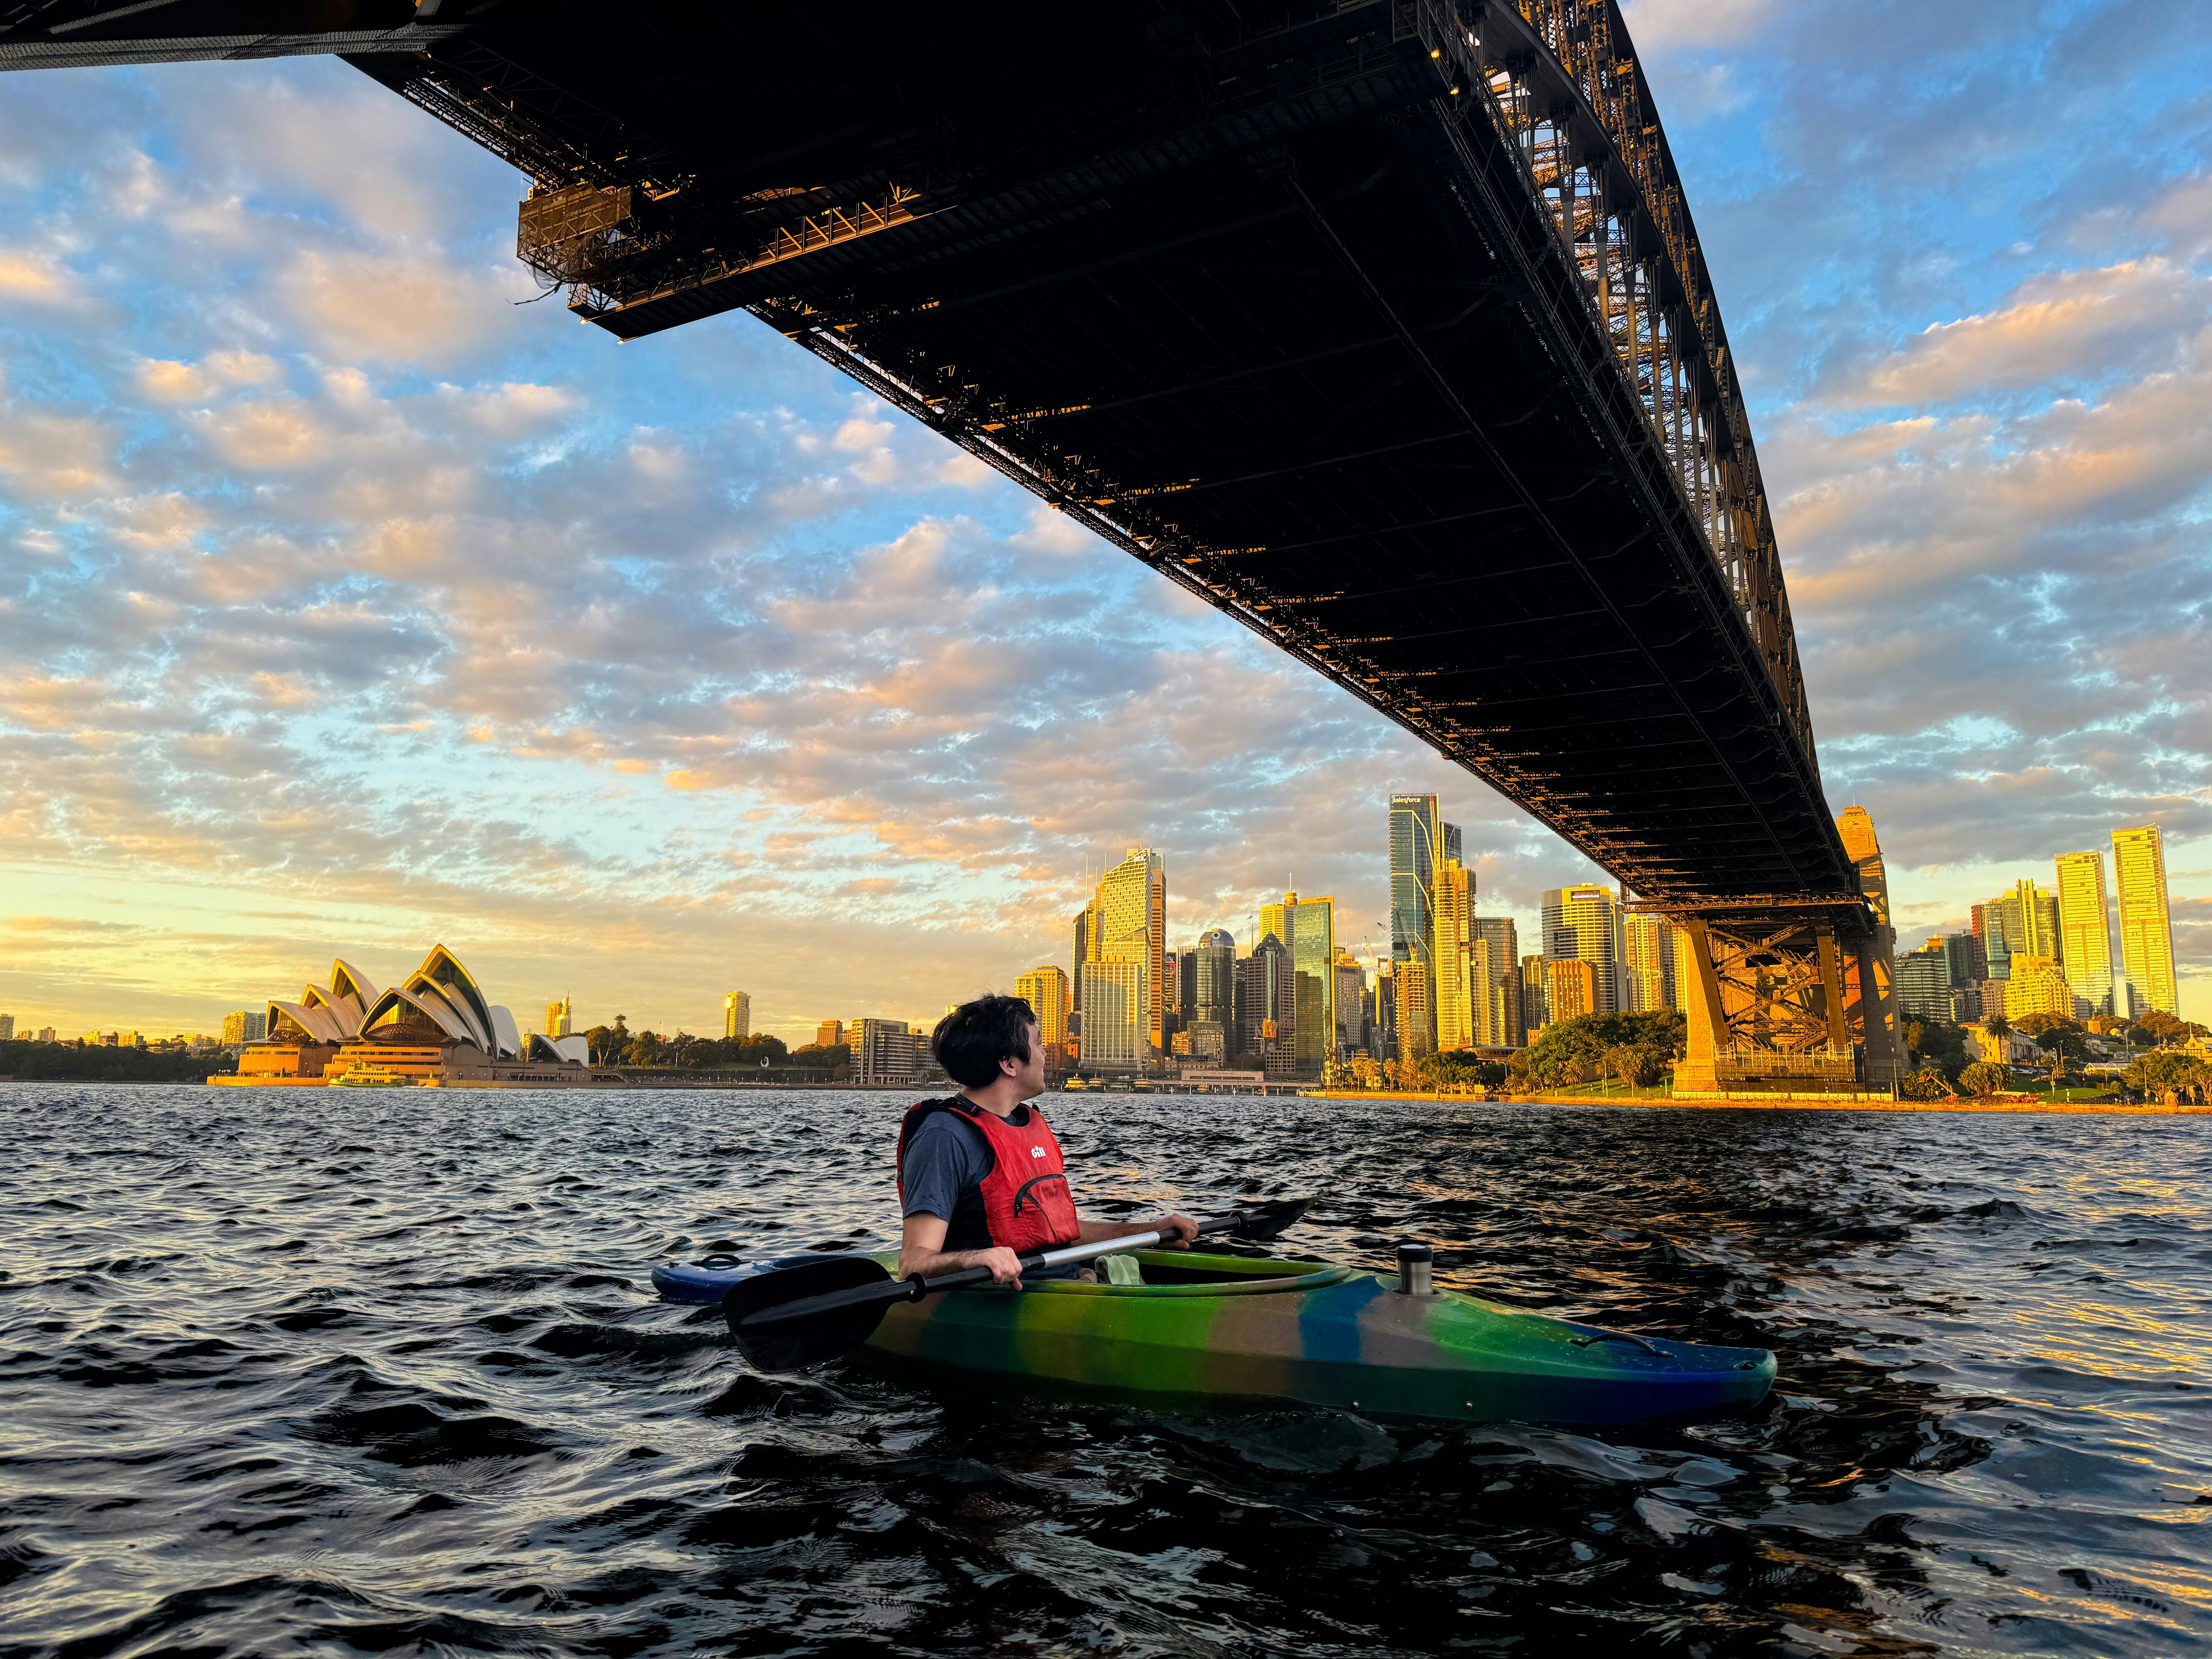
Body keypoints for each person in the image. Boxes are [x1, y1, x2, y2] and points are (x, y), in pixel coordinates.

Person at [897, 994, 1197, 1286]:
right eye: (1038, 1044)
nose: (1044, 1055)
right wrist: (974, 1259)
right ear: (1009, 1064)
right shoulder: (944, 1137)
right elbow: (914, 1263)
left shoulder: (1026, 1122)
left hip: (1073, 1282)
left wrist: (1152, 1231)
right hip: (1018, 1299)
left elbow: (1058, 1233)